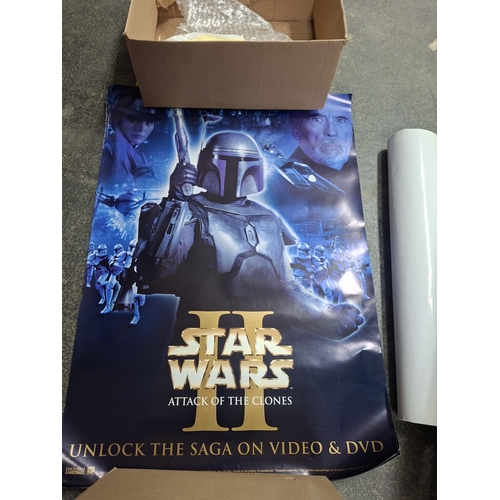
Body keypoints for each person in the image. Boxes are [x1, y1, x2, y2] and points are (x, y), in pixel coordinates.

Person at [134, 131, 363, 340]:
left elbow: (285, 285)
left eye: (242, 163)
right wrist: (176, 201)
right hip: (204, 333)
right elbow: (156, 274)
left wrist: (326, 312)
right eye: (226, 161)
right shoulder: (190, 210)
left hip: (266, 335)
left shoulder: (269, 218)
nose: (233, 172)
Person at [99, 87, 163, 187]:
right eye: (133, 120)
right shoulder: (108, 150)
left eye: (149, 122)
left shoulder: (139, 151)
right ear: (119, 118)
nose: (141, 129)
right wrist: (134, 182)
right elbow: (105, 188)